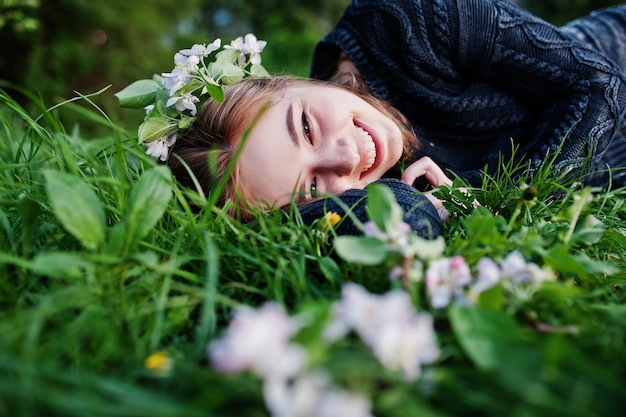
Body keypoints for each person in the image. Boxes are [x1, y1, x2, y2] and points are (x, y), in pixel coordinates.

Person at [167, 0, 626, 238]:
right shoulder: (378, 196)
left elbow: (598, 85)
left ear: (287, 82)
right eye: (310, 189)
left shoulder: (399, 20)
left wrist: (490, 199)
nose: (345, 158)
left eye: (305, 128)